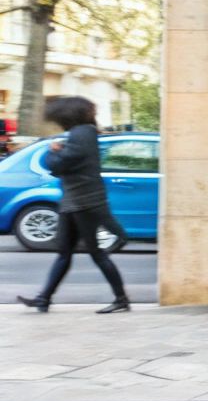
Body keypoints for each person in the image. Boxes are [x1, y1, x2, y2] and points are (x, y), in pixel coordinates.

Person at [15, 96, 129, 313]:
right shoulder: (83, 133)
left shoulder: (81, 134)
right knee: (64, 252)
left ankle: (121, 299)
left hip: (84, 202)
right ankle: (43, 299)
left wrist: (53, 151)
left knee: (95, 253)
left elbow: (59, 165)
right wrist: (58, 152)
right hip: (73, 201)